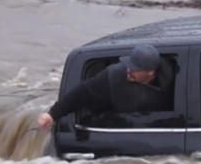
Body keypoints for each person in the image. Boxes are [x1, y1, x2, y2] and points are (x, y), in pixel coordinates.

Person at [38, 44, 173, 129]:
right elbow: (82, 92)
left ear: (150, 72)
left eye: (134, 69)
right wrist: (52, 114)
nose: (128, 71)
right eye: (129, 65)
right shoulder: (115, 77)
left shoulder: (174, 82)